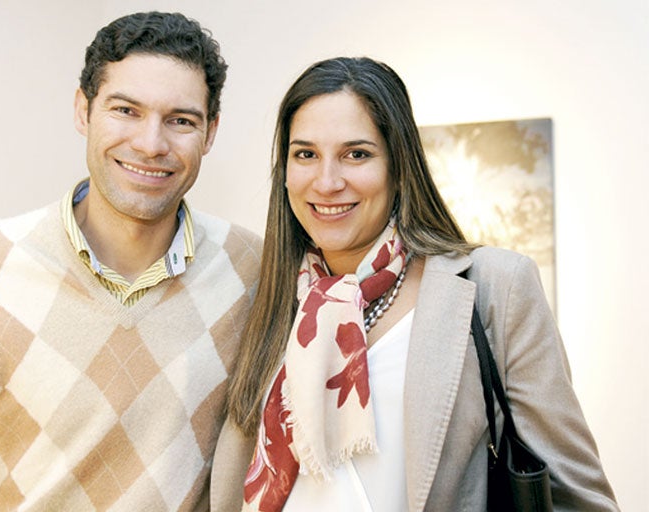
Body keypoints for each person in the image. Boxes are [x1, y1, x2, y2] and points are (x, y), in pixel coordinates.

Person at [0, 11, 262, 511]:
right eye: (125, 110)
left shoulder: (254, 270)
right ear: (84, 110)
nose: (151, 144)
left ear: (210, 133)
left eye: (181, 120)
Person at [210, 57, 618, 511]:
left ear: (399, 166)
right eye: (306, 154)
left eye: (356, 154)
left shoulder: (494, 286)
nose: (327, 182)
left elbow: (579, 498)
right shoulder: (265, 297)